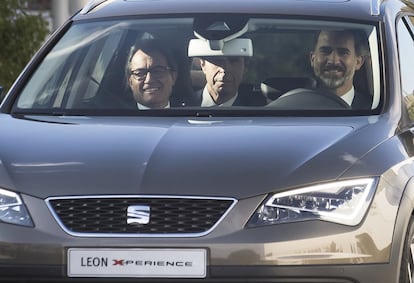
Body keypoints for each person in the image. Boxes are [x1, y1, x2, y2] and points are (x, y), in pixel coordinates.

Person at [308, 29, 372, 109]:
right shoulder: (297, 106)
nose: (333, 61)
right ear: (312, 59)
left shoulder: (374, 109)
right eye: (325, 51)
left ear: (358, 62)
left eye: (343, 52)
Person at [192, 56, 267, 107]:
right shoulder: (184, 106)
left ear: (245, 67)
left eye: (233, 60)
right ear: (203, 65)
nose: (224, 69)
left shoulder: (260, 112)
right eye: (217, 60)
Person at [127, 40, 179, 109]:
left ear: (173, 77)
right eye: (140, 73)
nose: (149, 80)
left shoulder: (190, 114)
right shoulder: (116, 117)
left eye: (157, 71)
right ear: (130, 82)